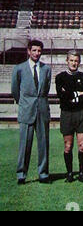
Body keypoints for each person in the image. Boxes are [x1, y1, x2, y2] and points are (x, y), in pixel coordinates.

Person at [12, 40, 52, 184]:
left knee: (43, 144)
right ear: (29, 51)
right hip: (26, 110)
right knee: (25, 144)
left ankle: (43, 173)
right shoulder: (19, 69)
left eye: (39, 51)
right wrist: (25, 103)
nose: (37, 53)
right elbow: (15, 91)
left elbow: (45, 90)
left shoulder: (46, 69)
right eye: (34, 50)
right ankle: (21, 174)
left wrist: (39, 102)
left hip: (42, 110)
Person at [55, 50, 83, 183]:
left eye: (76, 61)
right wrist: (78, 93)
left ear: (79, 62)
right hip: (67, 114)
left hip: (81, 113)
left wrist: (70, 93)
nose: (73, 63)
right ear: (67, 61)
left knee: (82, 145)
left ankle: (82, 173)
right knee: (68, 145)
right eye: (71, 60)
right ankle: (69, 173)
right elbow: (61, 96)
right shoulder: (60, 77)